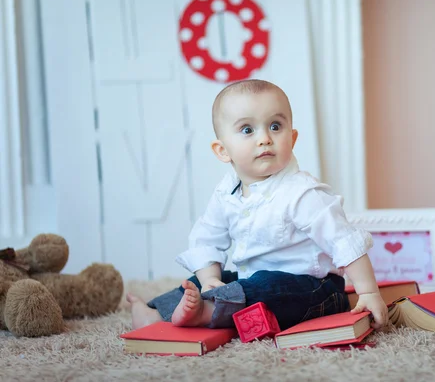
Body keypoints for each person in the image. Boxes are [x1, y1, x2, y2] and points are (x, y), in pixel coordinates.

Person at [127, 79, 388, 332]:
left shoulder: (301, 193)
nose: (264, 138)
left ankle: (208, 313)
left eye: (275, 126)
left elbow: (343, 240)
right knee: (206, 282)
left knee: (266, 284)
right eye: (248, 130)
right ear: (222, 151)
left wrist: (368, 291)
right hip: (252, 283)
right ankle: (155, 314)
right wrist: (209, 281)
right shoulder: (226, 193)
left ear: (293, 138)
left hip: (314, 290)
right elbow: (208, 238)